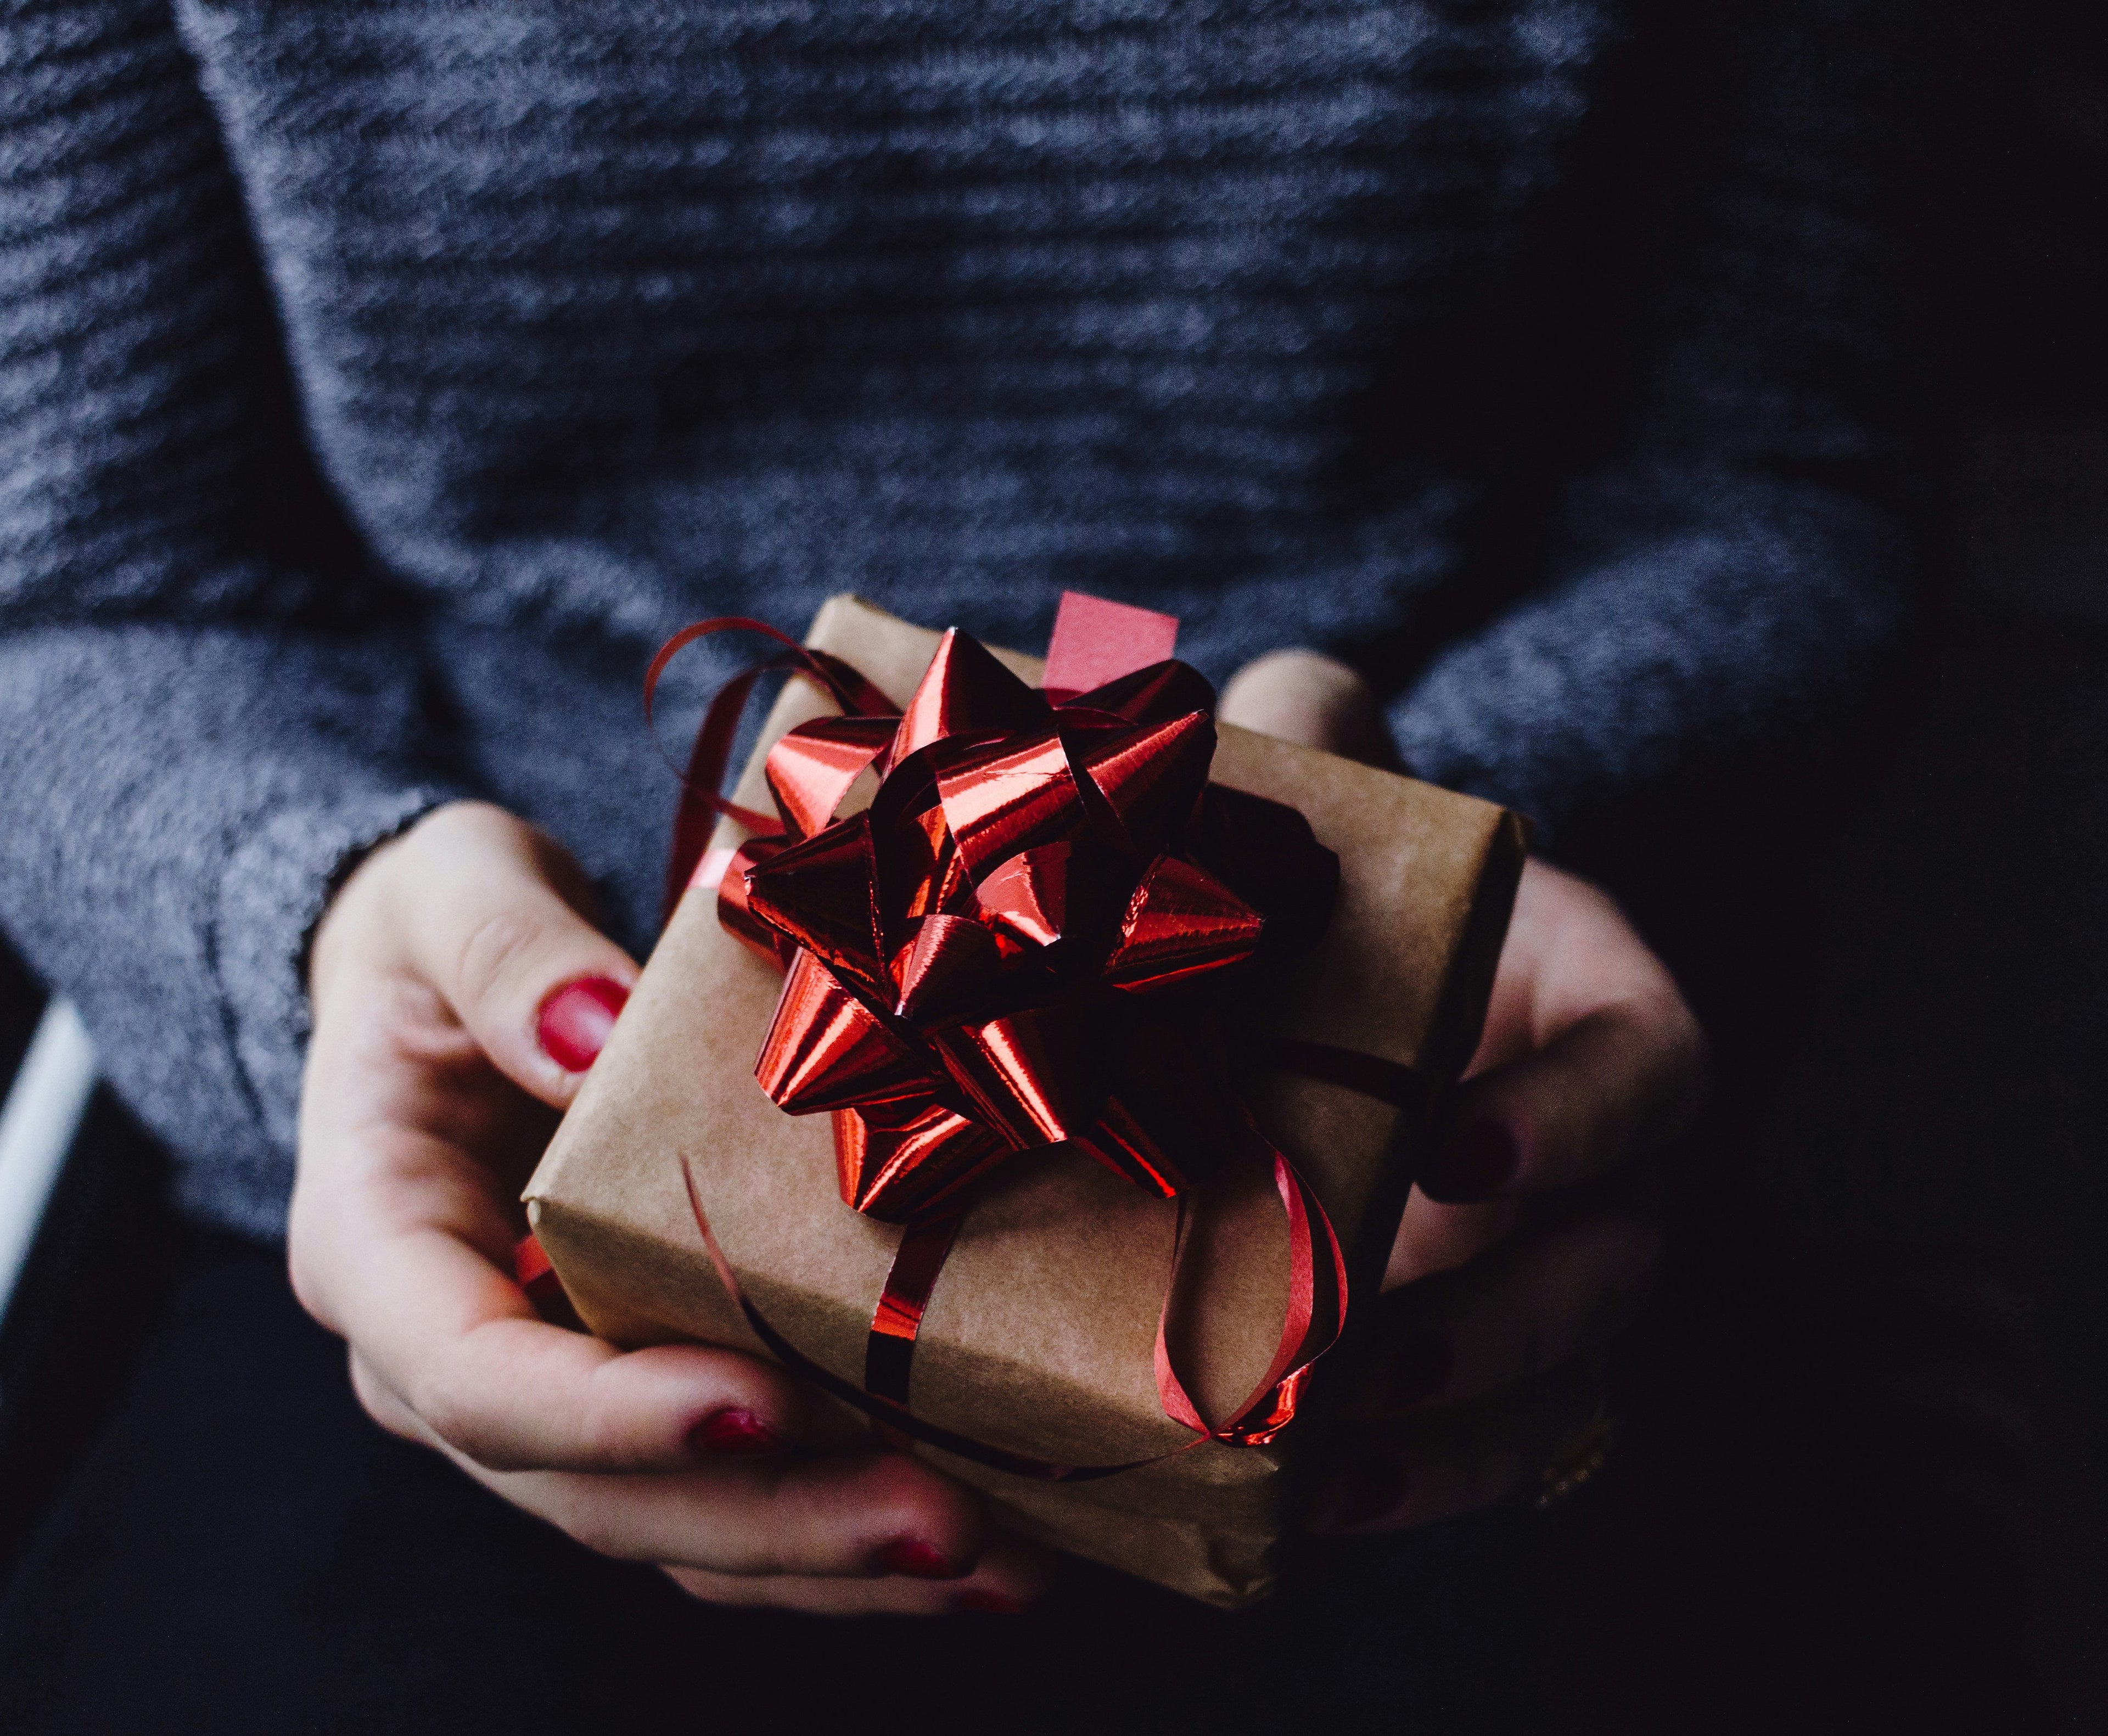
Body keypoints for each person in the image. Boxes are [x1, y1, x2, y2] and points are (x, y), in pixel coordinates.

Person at [0, 0, 1911, 1724]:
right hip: (487, 1127)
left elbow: (1769, 491)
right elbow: (82, 590)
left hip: (1415, 1110)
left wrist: (1441, 851)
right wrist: (312, 911)